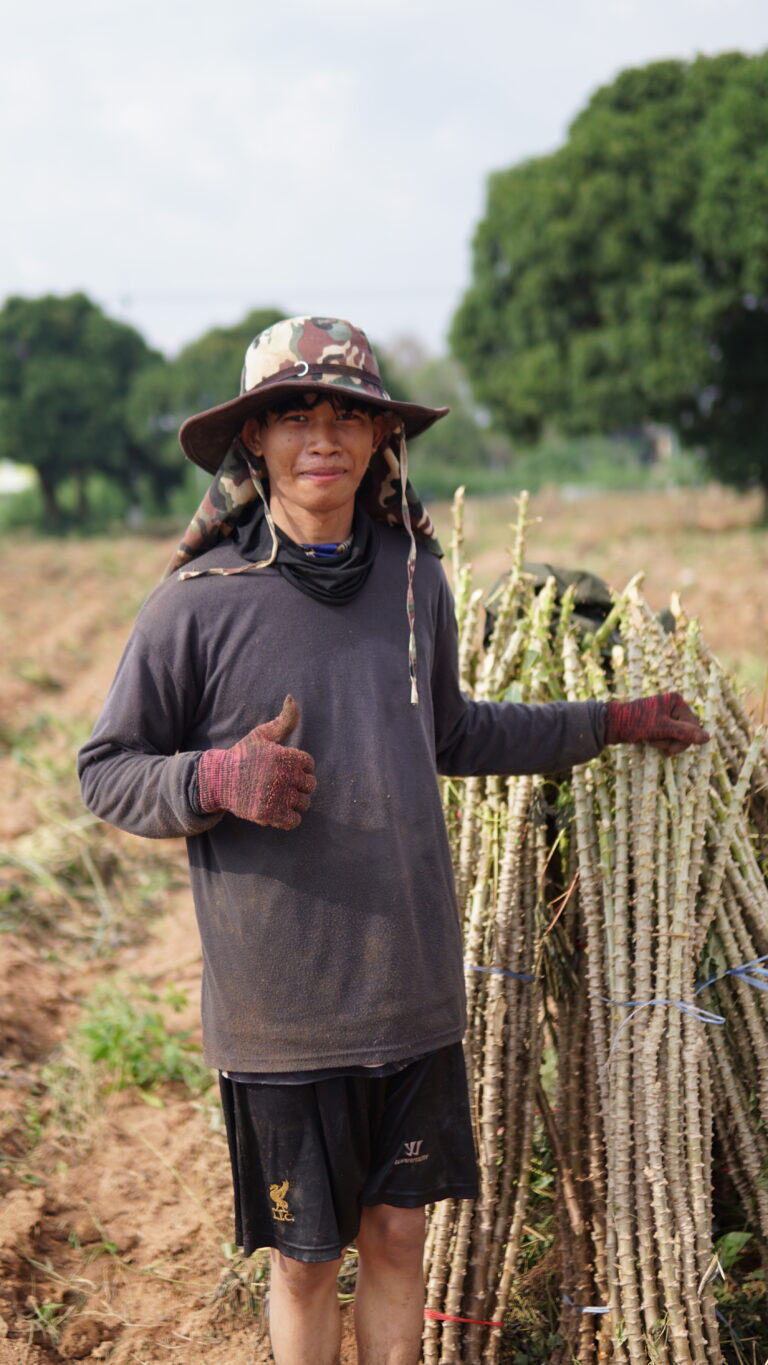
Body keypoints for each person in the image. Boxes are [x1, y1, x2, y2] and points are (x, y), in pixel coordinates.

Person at [78, 316, 708, 1365]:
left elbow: (456, 730)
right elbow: (107, 770)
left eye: (346, 416)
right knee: (304, 1259)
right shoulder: (195, 606)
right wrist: (214, 777)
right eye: (293, 415)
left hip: (410, 985)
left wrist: (611, 720)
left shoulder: (414, 581)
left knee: (401, 1233)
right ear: (255, 443)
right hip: (282, 1008)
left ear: (380, 442)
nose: (321, 435)